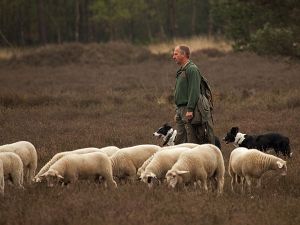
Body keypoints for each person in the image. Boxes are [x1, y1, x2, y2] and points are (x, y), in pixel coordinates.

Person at [172, 45, 215, 145]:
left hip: (189, 110)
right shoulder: (182, 70)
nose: (173, 57)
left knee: (192, 140)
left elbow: (194, 90)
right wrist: (178, 111)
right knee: (180, 141)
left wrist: (190, 109)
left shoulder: (192, 69)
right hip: (181, 110)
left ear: (184, 55)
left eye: (176, 54)